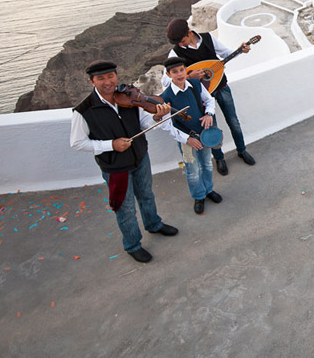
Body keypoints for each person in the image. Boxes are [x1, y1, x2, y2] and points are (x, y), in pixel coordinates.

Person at [70, 60, 179, 263]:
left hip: (140, 156)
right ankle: (132, 245)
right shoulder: (83, 110)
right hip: (115, 167)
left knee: (146, 194)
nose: (107, 82)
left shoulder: (128, 96)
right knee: (125, 207)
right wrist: (111, 144)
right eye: (100, 78)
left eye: (110, 76)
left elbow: (143, 122)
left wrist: (156, 117)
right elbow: (77, 143)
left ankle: (154, 224)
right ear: (91, 81)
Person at [164, 19, 255, 176]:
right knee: (211, 128)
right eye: (178, 42)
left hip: (221, 87)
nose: (180, 44)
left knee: (233, 121)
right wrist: (187, 75)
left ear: (190, 33)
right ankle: (219, 158)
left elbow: (226, 53)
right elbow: (165, 80)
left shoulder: (207, 38)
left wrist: (241, 49)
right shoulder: (175, 52)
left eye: (183, 40)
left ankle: (242, 150)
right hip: (201, 97)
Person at [159, 57, 223, 215]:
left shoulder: (195, 84)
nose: (179, 74)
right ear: (168, 74)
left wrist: (209, 114)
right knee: (193, 169)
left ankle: (208, 190)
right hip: (186, 139)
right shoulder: (166, 97)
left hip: (203, 133)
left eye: (181, 70)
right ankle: (198, 196)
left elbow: (209, 100)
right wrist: (187, 139)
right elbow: (166, 124)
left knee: (207, 164)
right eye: (175, 72)